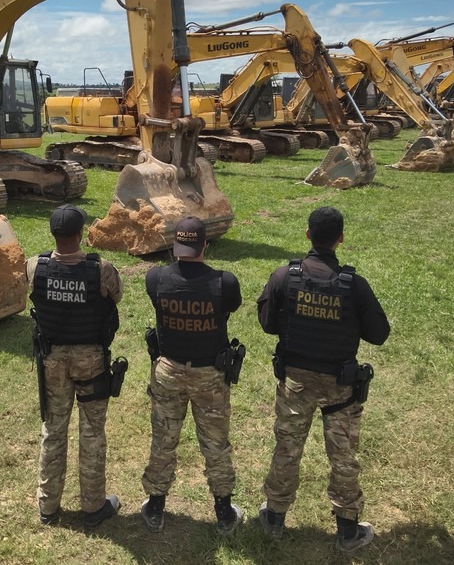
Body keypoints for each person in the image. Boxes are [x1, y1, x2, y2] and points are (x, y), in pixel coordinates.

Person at [257, 206, 390, 552]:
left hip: (295, 383)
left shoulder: (285, 277)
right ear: (341, 239)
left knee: (287, 448)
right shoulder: (354, 286)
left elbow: (268, 323)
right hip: (339, 387)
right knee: (342, 456)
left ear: (307, 235)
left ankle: (273, 517)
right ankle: (347, 530)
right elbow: (379, 333)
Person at [140, 216, 244, 535]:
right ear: (205, 245)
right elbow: (233, 305)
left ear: (175, 244)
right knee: (215, 443)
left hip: (169, 371)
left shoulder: (155, 278)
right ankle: (224, 510)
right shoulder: (224, 282)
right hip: (209, 375)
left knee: (164, 439)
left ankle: (156, 505)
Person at [27, 204, 123, 528]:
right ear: (81, 234)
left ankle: (48, 507)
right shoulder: (101, 270)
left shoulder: (34, 268)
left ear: (53, 234)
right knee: (92, 432)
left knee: (53, 430)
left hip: (52, 361)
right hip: (90, 361)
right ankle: (94, 507)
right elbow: (116, 295)